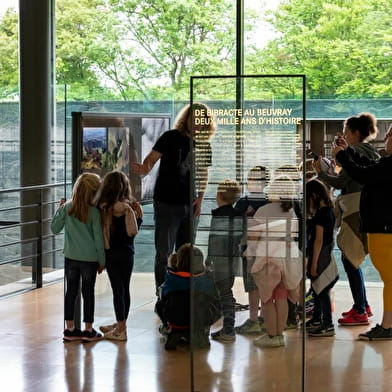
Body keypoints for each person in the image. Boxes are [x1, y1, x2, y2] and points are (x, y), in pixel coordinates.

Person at [131, 103, 216, 292]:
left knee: (187, 252)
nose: (197, 124)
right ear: (186, 119)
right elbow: (152, 158)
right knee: (164, 252)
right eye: (194, 119)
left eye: (201, 121)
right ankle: (163, 293)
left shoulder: (203, 145)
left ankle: (184, 293)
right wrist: (144, 169)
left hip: (190, 203)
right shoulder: (170, 137)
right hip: (166, 203)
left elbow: (203, 173)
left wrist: (200, 198)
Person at [314, 112, 379, 326]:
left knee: (349, 259)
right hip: (367, 210)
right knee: (352, 258)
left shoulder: (354, 152)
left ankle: (360, 308)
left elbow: (341, 182)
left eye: (345, 132)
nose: (343, 136)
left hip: (353, 211)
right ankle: (363, 305)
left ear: (353, 132)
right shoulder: (372, 152)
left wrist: (320, 173)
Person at [332, 125, 392, 340]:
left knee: (390, 280)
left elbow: (363, 174)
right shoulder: (385, 163)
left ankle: (387, 326)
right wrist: (347, 151)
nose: (386, 137)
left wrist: (342, 156)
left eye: (391, 134)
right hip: (381, 229)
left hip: (384, 230)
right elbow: (370, 167)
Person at [51, 173, 105, 342]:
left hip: (71, 257)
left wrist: (59, 209)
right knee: (88, 293)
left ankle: (70, 329)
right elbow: (98, 240)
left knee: (71, 292)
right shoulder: (95, 213)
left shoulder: (67, 208)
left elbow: (54, 228)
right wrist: (102, 261)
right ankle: (88, 330)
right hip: (90, 260)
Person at [249, 176, 302, 348]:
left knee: (267, 299)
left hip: (267, 259)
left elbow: (253, 237)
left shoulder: (263, 210)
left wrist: (250, 252)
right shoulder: (291, 212)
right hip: (286, 259)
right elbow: (292, 236)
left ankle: (271, 335)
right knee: (281, 298)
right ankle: (280, 334)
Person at [95, 171, 143, 341]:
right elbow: (132, 233)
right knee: (124, 289)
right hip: (127, 253)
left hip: (111, 254)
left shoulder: (102, 208)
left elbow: (99, 234)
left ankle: (120, 330)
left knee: (117, 290)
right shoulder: (128, 208)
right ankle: (120, 324)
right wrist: (140, 216)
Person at [155, 243, 221, 350]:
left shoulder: (172, 278)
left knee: (159, 304)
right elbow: (216, 299)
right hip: (200, 321)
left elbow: (162, 294)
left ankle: (168, 327)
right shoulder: (207, 279)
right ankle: (203, 330)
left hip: (176, 320)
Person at [206, 179, 243, 343]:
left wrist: (209, 259)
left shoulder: (219, 215)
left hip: (220, 260)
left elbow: (215, 239)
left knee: (224, 294)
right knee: (226, 291)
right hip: (233, 260)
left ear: (220, 195)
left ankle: (229, 329)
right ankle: (228, 328)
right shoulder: (237, 216)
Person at [234, 166, 269, 334]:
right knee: (263, 284)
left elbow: (233, 224)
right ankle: (262, 317)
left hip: (250, 247)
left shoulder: (243, 202)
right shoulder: (270, 202)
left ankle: (254, 318)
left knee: (252, 284)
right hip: (267, 249)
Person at [305, 179, 339, 337]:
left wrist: (313, 263)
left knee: (322, 290)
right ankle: (317, 319)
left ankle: (327, 323)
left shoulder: (320, 214)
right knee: (318, 289)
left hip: (320, 255)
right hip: (327, 253)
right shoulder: (330, 211)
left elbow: (318, 240)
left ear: (313, 196)